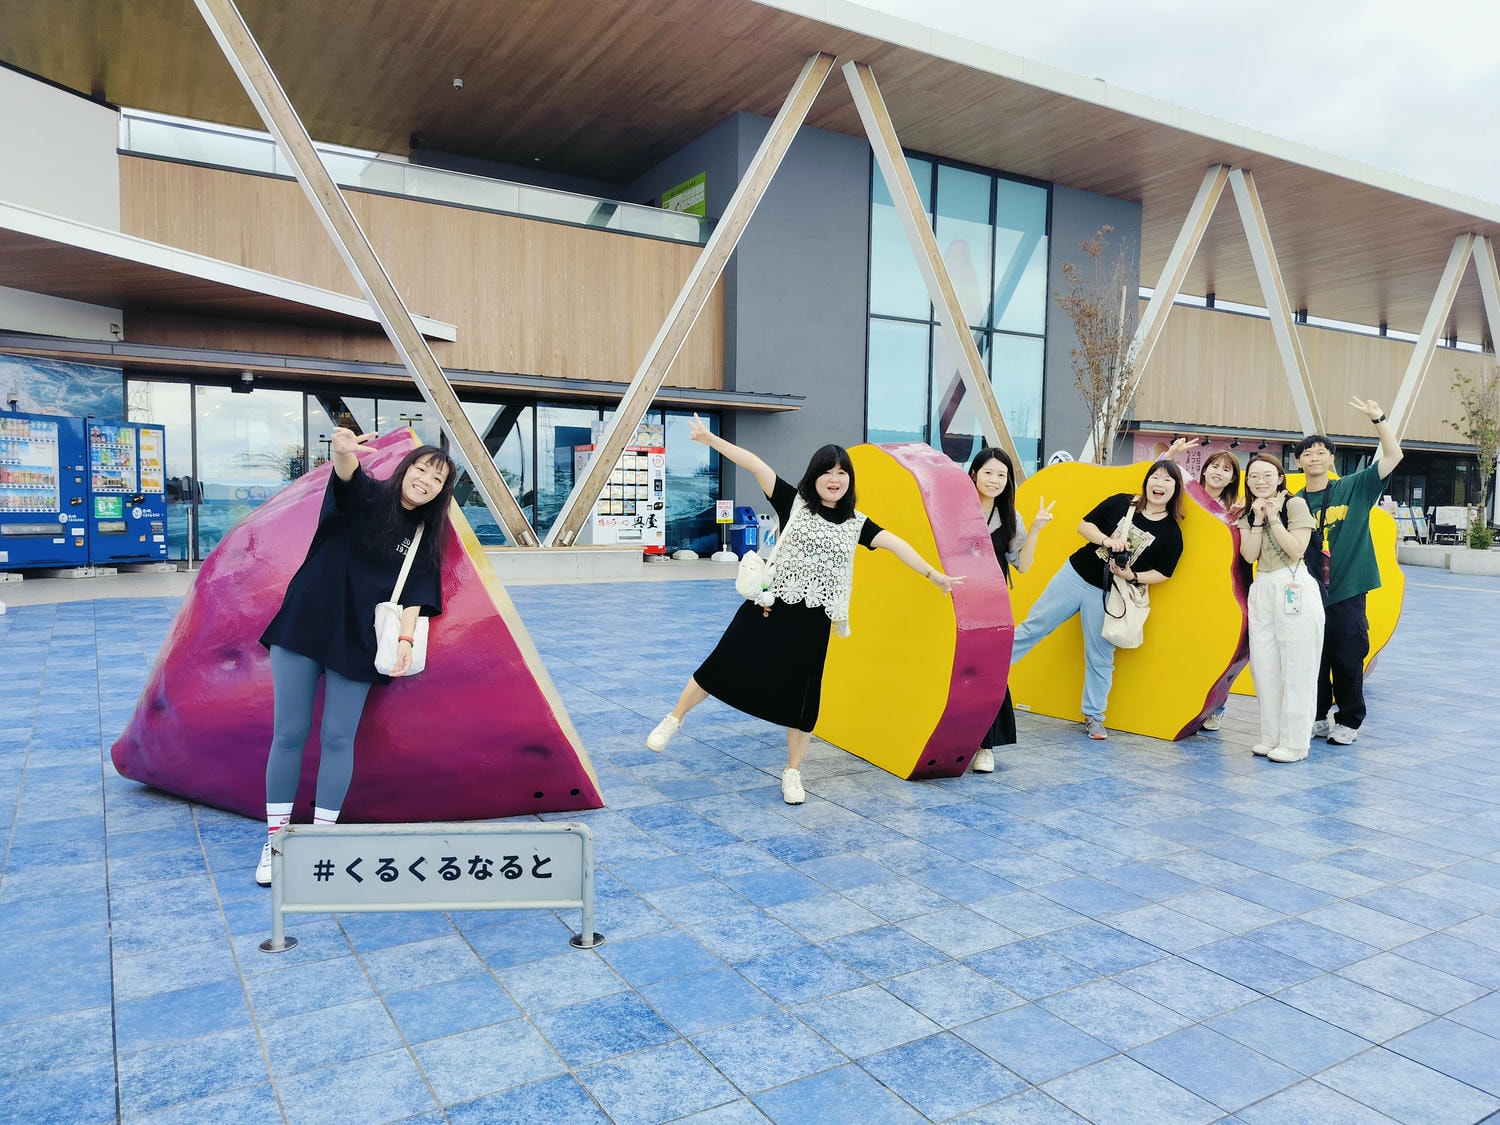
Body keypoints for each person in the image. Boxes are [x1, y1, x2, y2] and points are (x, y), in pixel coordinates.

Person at [646, 415, 962, 804]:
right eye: (827, 471)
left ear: (850, 481)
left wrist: (933, 574)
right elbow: (756, 464)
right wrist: (711, 438)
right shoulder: (793, 503)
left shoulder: (855, 523)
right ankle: (674, 718)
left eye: (843, 472)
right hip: (768, 606)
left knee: (803, 701)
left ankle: (793, 773)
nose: (835, 478)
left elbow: (896, 544)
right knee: (721, 666)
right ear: (814, 476)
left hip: (813, 621)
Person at [254, 429, 455, 884]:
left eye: (437, 478)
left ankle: (322, 839)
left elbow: (416, 598)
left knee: (339, 738)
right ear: (406, 469)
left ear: (442, 492)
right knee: (288, 734)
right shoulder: (368, 495)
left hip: (360, 640)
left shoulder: (426, 534)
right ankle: (277, 843)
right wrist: (342, 453)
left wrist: (405, 643)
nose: (425, 479)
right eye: (421, 468)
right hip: (305, 621)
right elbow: (348, 478)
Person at [1009, 460, 1186, 740]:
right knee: (1034, 627)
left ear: (1176, 489)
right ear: (1147, 480)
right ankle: (986, 675)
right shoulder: (1121, 503)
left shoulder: (1171, 533)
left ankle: (1094, 717)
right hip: (1075, 574)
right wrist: (1107, 541)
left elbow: (1164, 573)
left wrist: (1132, 575)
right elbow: (1084, 525)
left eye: (1167, 480)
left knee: (1100, 656)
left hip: (1109, 594)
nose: (1159, 484)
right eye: (1155, 477)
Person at [1292, 396, 1403, 745]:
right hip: (1309, 592)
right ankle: (1319, 716)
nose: (1314, 457)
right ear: (1298, 461)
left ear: (1331, 459)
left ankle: (1350, 721)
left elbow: (1393, 456)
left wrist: (1378, 418)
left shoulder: (1354, 487)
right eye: (1307, 453)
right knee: (1314, 657)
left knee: (1347, 658)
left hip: (1348, 589)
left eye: (1320, 452)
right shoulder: (1293, 501)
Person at [967, 447, 1053, 772]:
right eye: (988, 472)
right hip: (955, 602)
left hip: (992, 606)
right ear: (974, 474)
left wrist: (1036, 530)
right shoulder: (955, 510)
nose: (994, 480)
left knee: (990, 674)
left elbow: (1023, 565)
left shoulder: (1010, 516)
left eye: (1001, 475)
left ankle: (986, 747)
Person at [1237, 454, 1322, 762]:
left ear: (1280, 478)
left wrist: (1274, 516)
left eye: (1268, 475)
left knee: (1297, 668)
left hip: (1293, 584)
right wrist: (1258, 518)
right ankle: (1271, 737)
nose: (1261, 481)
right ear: (1247, 481)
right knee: (1265, 667)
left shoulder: (1295, 505)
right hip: (1262, 587)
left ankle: (1295, 743)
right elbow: (1249, 556)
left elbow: (1297, 549)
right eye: (1254, 476)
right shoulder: (1248, 513)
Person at [1168, 438, 1244, 731]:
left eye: (1226, 470)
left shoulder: (1234, 509)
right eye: (1214, 466)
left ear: (1233, 478)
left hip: (1218, 586)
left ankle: (1216, 706)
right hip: (1184, 577)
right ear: (1205, 469)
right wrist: (1174, 454)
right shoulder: (1190, 493)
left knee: (1218, 647)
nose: (1218, 472)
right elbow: (1164, 478)